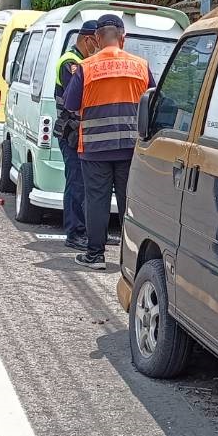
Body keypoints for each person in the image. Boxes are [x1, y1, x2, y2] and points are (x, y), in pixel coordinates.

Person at [62, 14, 154, 270]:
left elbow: (70, 104)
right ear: (123, 38)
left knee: (97, 201)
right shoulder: (141, 66)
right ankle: (131, 259)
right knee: (129, 202)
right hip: (130, 148)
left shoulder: (86, 67)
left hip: (95, 148)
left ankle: (95, 255)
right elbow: (154, 102)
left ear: (98, 39)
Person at [53, 19, 100, 250]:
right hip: (71, 132)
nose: (99, 47)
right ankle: (74, 233)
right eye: (97, 42)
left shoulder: (82, 61)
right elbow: (77, 99)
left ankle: (91, 232)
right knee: (76, 184)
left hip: (83, 134)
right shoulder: (71, 63)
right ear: (88, 40)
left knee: (88, 186)